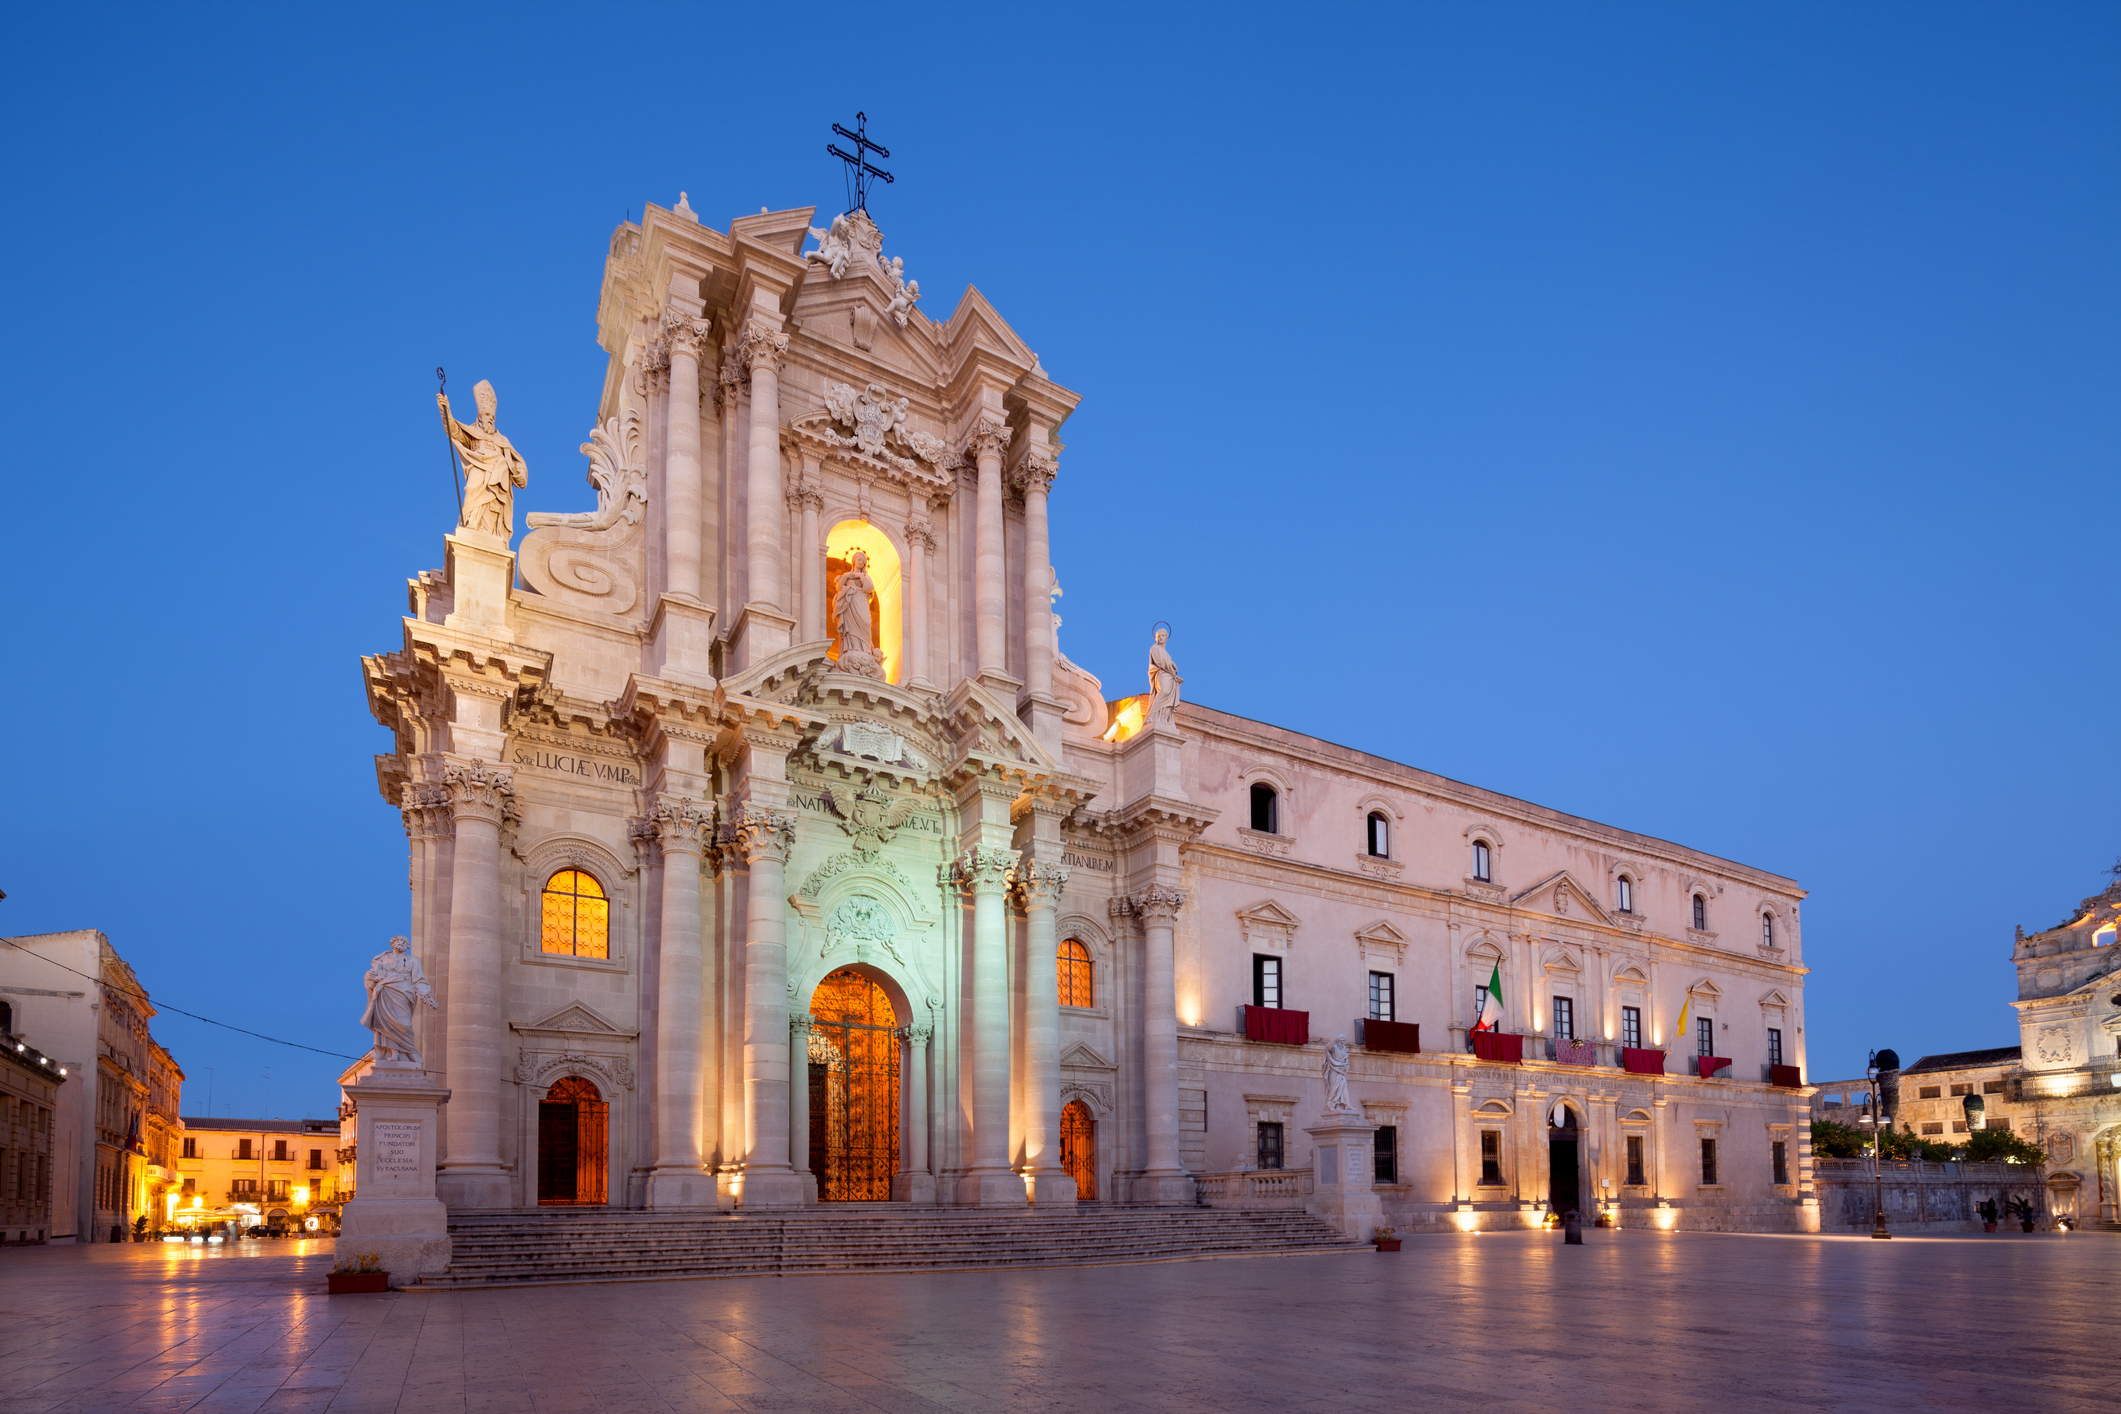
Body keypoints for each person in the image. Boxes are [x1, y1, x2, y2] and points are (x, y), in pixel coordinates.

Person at [438, 380, 529, 537]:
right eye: (487, 415)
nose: (490, 419)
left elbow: (518, 464)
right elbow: (453, 430)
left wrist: (520, 472)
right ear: (479, 416)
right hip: (479, 472)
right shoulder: (473, 434)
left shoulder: (503, 441)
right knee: (471, 503)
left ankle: (491, 532)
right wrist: (446, 411)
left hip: (499, 479)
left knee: (494, 503)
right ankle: (471, 524)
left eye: (492, 416)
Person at [361, 936, 436, 1066]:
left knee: (404, 1024)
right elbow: (373, 977)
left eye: (404, 942)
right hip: (385, 992)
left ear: (407, 946)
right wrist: (369, 978)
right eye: (398, 941)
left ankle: (410, 1051)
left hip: (404, 993)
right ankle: (394, 1052)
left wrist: (425, 995)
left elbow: (419, 980)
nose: (401, 943)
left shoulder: (413, 961)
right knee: (386, 1024)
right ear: (392, 944)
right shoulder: (382, 959)